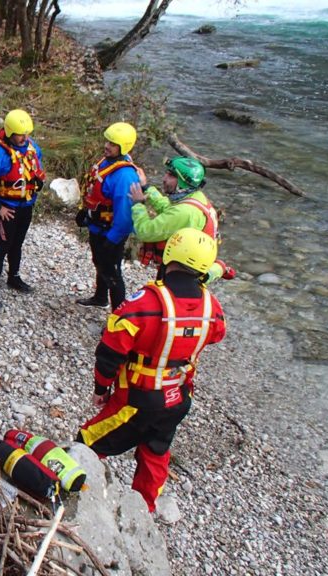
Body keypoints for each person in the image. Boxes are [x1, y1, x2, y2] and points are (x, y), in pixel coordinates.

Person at [76, 228, 226, 513]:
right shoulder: (212, 306)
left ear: (170, 255)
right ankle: (144, 510)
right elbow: (217, 334)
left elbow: (110, 351)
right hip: (179, 398)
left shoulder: (145, 303)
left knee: (87, 442)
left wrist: (100, 387)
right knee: (156, 452)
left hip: (138, 400)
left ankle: (82, 496)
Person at [0, 109, 45, 312]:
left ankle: (14, 276)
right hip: (8, 208)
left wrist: (38, 182)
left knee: (18, 244)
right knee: (2, 247)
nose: (24, 138)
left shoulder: (32, 147)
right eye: (20, 134)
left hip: (26, 205)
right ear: (9, 132)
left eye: (26, 134)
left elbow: (37, 166)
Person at [130, 156, 235, 283]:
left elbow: (145, 232)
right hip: (194, 264)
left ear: (183, 183)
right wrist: (146, 188)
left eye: (171, 176)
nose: (164, 179)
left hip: (184, 271)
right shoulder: (196, 197)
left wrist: (138, 204)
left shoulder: (184, 212)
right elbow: (168, 208)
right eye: (167, 173)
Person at [76, 122, 140, 310]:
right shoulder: (106, 162)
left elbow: (125, 215)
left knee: (112, 272)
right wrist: (84, 211)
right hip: (97, 225)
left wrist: (113, 239)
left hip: (110, 232)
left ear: (123, 147)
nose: (107, 146)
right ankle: (100, 297)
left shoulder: (125, 176)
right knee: (99, 263)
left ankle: (118, 315)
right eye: (107, 141)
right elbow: (94, 192)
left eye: (112, 144)